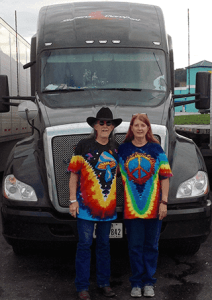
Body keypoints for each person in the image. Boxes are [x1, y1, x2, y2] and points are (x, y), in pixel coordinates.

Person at [68, 107, 122, 300]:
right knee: (84, 245)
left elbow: (117, 173)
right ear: (95, 125)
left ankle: (104, 283)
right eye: (101, 123)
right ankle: (82, 287)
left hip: (107, 208)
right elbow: (74, 174)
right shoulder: (83, 146)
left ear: (113, 126)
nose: (105, 126)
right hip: (85, 208)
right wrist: (73, 200)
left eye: (109, 123)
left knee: (104, 245)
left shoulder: (116, 148)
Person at [118, 113, 173, 298]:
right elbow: (112, 170)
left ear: (148, 129)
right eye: (136, 125)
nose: (140, 128)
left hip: (154, 207)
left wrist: (164, 202)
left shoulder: (156, 150)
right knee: (134, 246)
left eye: (143, 125)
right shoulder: (123, 150)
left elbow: (165, 177)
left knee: (151, 246)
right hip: (132, 207)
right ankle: (136, 282)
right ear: (131, 128)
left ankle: (149, 282)